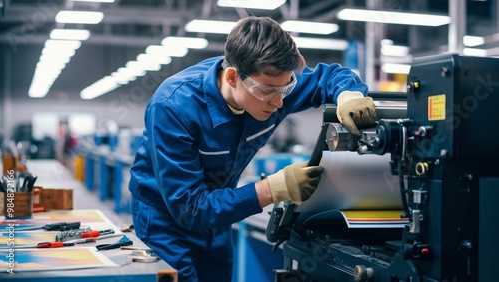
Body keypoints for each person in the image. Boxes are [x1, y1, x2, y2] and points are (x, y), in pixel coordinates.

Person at [128, 16, 376, 282]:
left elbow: (330, 77)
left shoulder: (274, 85)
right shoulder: (173, 107)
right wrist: (273, 189)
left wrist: (349, 94)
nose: (280, 103)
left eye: (287, 87)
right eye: (268, 92)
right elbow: (191, 209)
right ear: (233, 76)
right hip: (166, 222)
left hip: (219, 214)